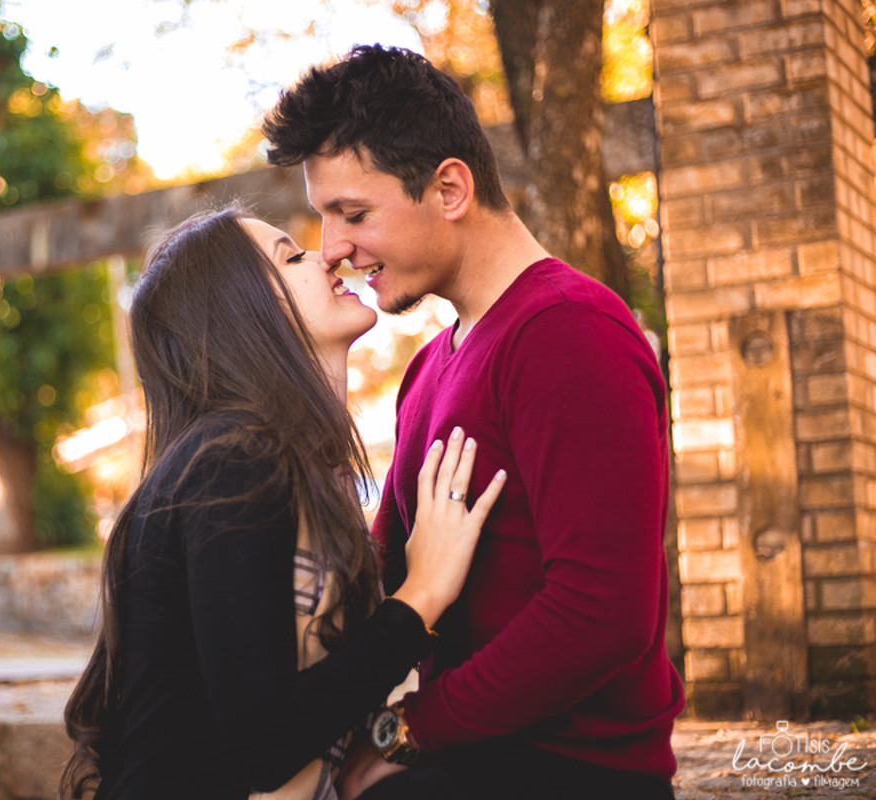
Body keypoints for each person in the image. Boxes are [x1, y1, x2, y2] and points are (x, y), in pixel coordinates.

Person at [262, 44, 685, 800]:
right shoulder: (431, 368)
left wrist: (415, 730)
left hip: (566, 773)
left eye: (353, 214)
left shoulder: (571, 332)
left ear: (450, 187)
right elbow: (381, 577)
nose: (334, 250)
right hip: (470, 757)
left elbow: (603, 613)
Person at [59, 206, 506, 800]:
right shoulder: (232, 463)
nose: (326, 255)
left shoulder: (297, 469)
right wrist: (418, 598)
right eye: (290, 257)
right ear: (242, 313)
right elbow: (260, 743)